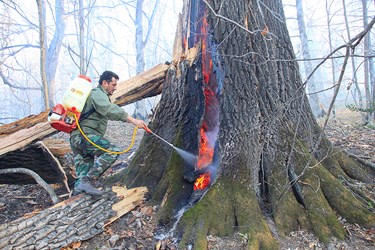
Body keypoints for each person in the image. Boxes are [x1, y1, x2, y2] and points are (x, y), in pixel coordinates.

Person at [70, 70, 149, 196]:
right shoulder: (97, 94)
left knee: (83, 172)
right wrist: (132, 120)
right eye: (113, 84)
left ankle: (75, 200)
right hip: (85, 137)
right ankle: (88, 180)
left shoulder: (96, 95)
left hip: (77, 139)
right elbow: (108, 109)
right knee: (113, 151)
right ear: (105, 83)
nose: (115, 88)